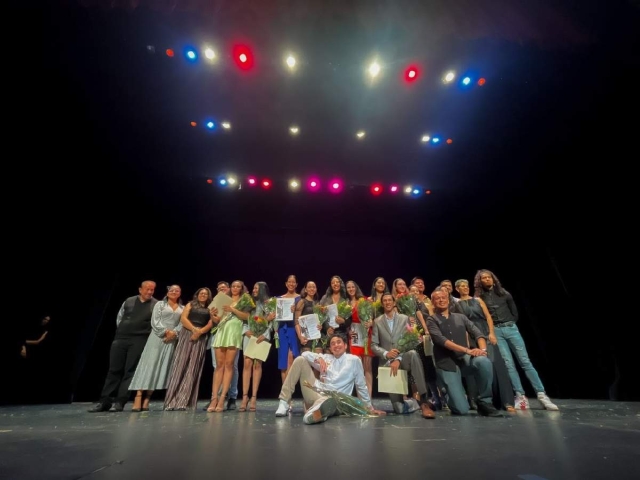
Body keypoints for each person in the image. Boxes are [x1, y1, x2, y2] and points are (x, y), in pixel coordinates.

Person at [474, 269, 558, 411]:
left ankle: (541, 394)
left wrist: (510, 323)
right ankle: (520, 395)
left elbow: (514, 312)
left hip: (511, 328)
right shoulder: (479, 298)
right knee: (508, 364)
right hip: (496, 331)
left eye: (489, 277)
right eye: (484, 278)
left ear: (493, 279)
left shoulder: (504, 293)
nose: (487, 279)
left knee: (525, 361)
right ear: (480, 281)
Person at [274, 334, 386, 424]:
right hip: (318, 393)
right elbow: (305, 353)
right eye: (333, 344)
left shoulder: (354, 360)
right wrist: (318, 358)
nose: (336, 345)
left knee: (329, 401)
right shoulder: (326, 358)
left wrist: (369, 407)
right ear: (331, 349)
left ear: (345, 345)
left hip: (337, 400)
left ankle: (314, 413)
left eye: (339, 342)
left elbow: (361, 386)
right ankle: (284, 401)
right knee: (299, 360)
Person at [426, 289, 501, 416]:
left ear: (448, 300)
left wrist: (482, 351)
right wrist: (467, 350)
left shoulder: (461, 317)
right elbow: (441, 340)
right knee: (462, 410)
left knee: (483, 361)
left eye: (444, 297)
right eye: (437, 298)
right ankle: (446, 392)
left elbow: (478, 333)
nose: (441, 300)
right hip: (446, 363)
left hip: (463, 360)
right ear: (433, 302)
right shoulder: (431, 320)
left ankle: (484, 402)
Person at [88, 281, 157, 412]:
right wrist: (122, 331)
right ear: (140, 289)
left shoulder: (155, 304)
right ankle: (104, 401)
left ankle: (120, 402)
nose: (150, 292)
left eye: (152, 290)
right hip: (121, 338)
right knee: (114, 370)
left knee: (129, 371)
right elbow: (119, 318)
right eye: (147, 289)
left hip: (139, 339)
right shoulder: (129, 301)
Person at [371, 293, 436, 419]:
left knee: (413, 354)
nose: (387, 302)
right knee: (399, 410)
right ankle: (414, 402)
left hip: (403, 358)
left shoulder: (404, 318)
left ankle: (423, 400)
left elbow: (410, 341)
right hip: (387, 363)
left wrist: (399, 358)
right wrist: (386, 354)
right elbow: (374, 345)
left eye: (390, 300)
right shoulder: (377, 322)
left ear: (394, 302)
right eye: (385, 300)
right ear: (382, 304)